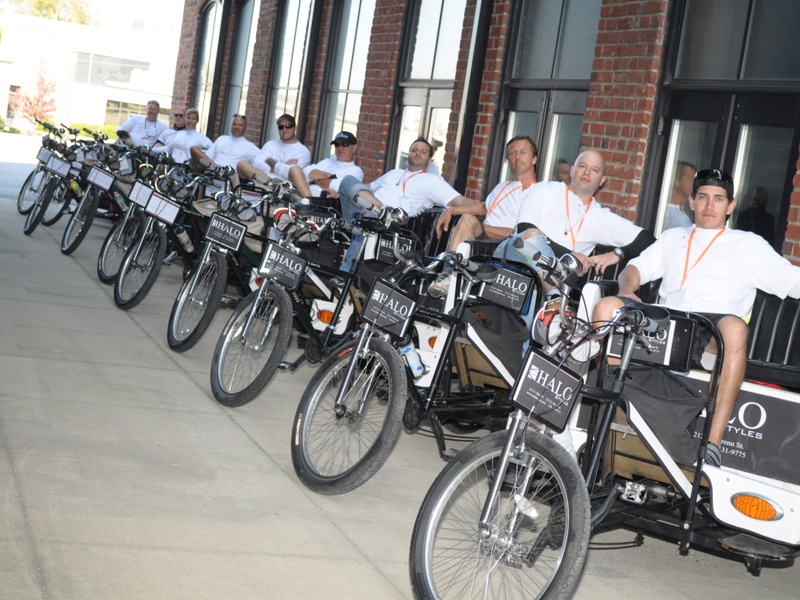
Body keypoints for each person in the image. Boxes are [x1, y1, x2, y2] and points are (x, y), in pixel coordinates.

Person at [592, 168, 800, 467]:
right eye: (703, 197)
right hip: (667, 324)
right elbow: (635, 268)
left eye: (719, 199)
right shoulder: (673, 237)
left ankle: (712, 443)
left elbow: (792, 281)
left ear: (730, 206)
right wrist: (626, 289)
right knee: (605, 307)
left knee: (735, 329)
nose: (709, 205)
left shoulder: (748, 245)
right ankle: (612, 410)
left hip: (711, 329)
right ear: (691, 201)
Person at [334, 137, 477, 278]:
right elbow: (366, 189)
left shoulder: (433, 181)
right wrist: (338, 191)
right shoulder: (394, 172)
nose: (417, 153)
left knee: (369, 218)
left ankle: (345, 273)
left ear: (430, 160)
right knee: (347, 180)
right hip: (365, 211)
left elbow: (461, 201)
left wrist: (483, 207)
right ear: (408, 153)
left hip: (393, 225)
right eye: (414, 150)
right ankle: (382, 210)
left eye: (423, 152)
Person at [508, 149, 655, 277]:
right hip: (515, 265)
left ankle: (552, 294)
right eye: (582, 166)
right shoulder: (544, 190)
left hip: (556, 279)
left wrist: (618, 254)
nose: (587, 172)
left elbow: (647, 240)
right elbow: (524, 231)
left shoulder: (600, 217)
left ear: (602, 181)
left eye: (595, 170)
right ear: (572, 170)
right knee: (533, 235)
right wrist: (570, 255)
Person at [427, 135, 539, 297]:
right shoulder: (503, 186)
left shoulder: (536, 193)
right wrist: (451, 210)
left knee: (467, 220)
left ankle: (448, 274)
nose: (517, 157)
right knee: (465, 220)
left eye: (523, 152)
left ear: (534, 159)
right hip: (482, 238)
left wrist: (477, 225)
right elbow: (484, 207)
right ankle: (448, 276)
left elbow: (519, 233)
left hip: (504, 246)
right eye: (513, 153)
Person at [287, 131, 364, 200]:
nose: (340, 148)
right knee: (294, 169)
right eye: (337, 144)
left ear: (354, 147)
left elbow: (340, 188)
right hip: (306, 194)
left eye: (344, 144)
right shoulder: (327, 162)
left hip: (324, 203)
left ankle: (309, 202)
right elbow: (305, 172)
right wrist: (328, 176)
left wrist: (315, 180)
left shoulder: (356, 171)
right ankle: (308, 201)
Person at [237, 113, 311, 182]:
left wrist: (271, 166)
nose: (284, 130)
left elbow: (290, 174)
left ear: (295, 128)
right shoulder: (270, 144)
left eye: (288, 126)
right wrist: (284, 164)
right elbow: (257, 163)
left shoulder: (303, 151)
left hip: (283, 187)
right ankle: (270, 184)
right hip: (263, 181)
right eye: (281, 127)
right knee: (242, 164)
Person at [190, 114, 259, 171]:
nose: (236, 127)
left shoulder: (249, 146)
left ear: (245, 127)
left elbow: (262, 161)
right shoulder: (222, 139)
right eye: (234, 124)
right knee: (194, 149)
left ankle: (219, 170)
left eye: (240, 125)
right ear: (230, 125)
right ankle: (216, 169)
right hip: (211, 171)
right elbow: (208, 157)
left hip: (229, 176)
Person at [664, 160, 696, 230]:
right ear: (677, 181)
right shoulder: (668, 212)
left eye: (695, 179)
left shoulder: (681, 210)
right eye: (690, 178)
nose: (694, 183)